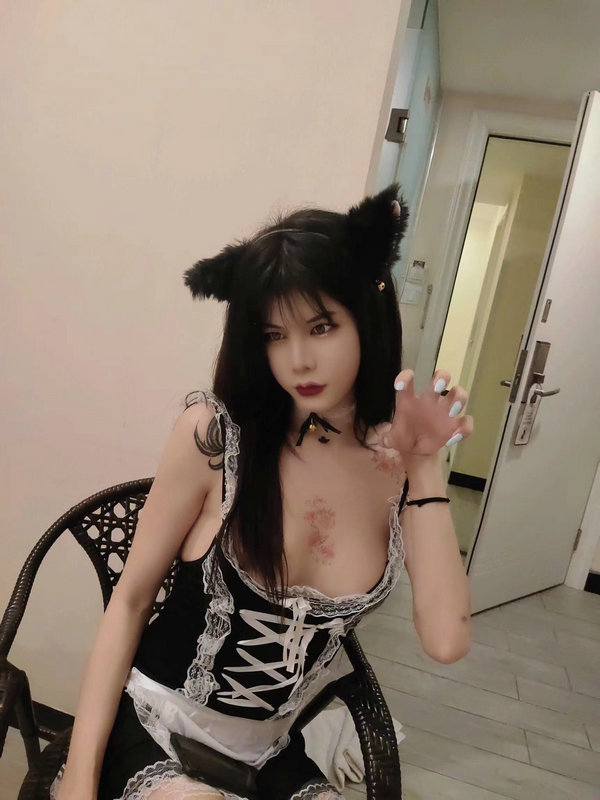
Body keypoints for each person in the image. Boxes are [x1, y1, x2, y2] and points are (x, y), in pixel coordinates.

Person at [53, 183, 473, 800]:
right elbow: (131, 601)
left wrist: (426, 465)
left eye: (322, 326)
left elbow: (446, 640)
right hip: (157, 727)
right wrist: (80, 777)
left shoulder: (396, 466)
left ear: (367, 317)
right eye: (275, 335)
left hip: (268, 754)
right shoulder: (214, 440)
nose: (298, 360)